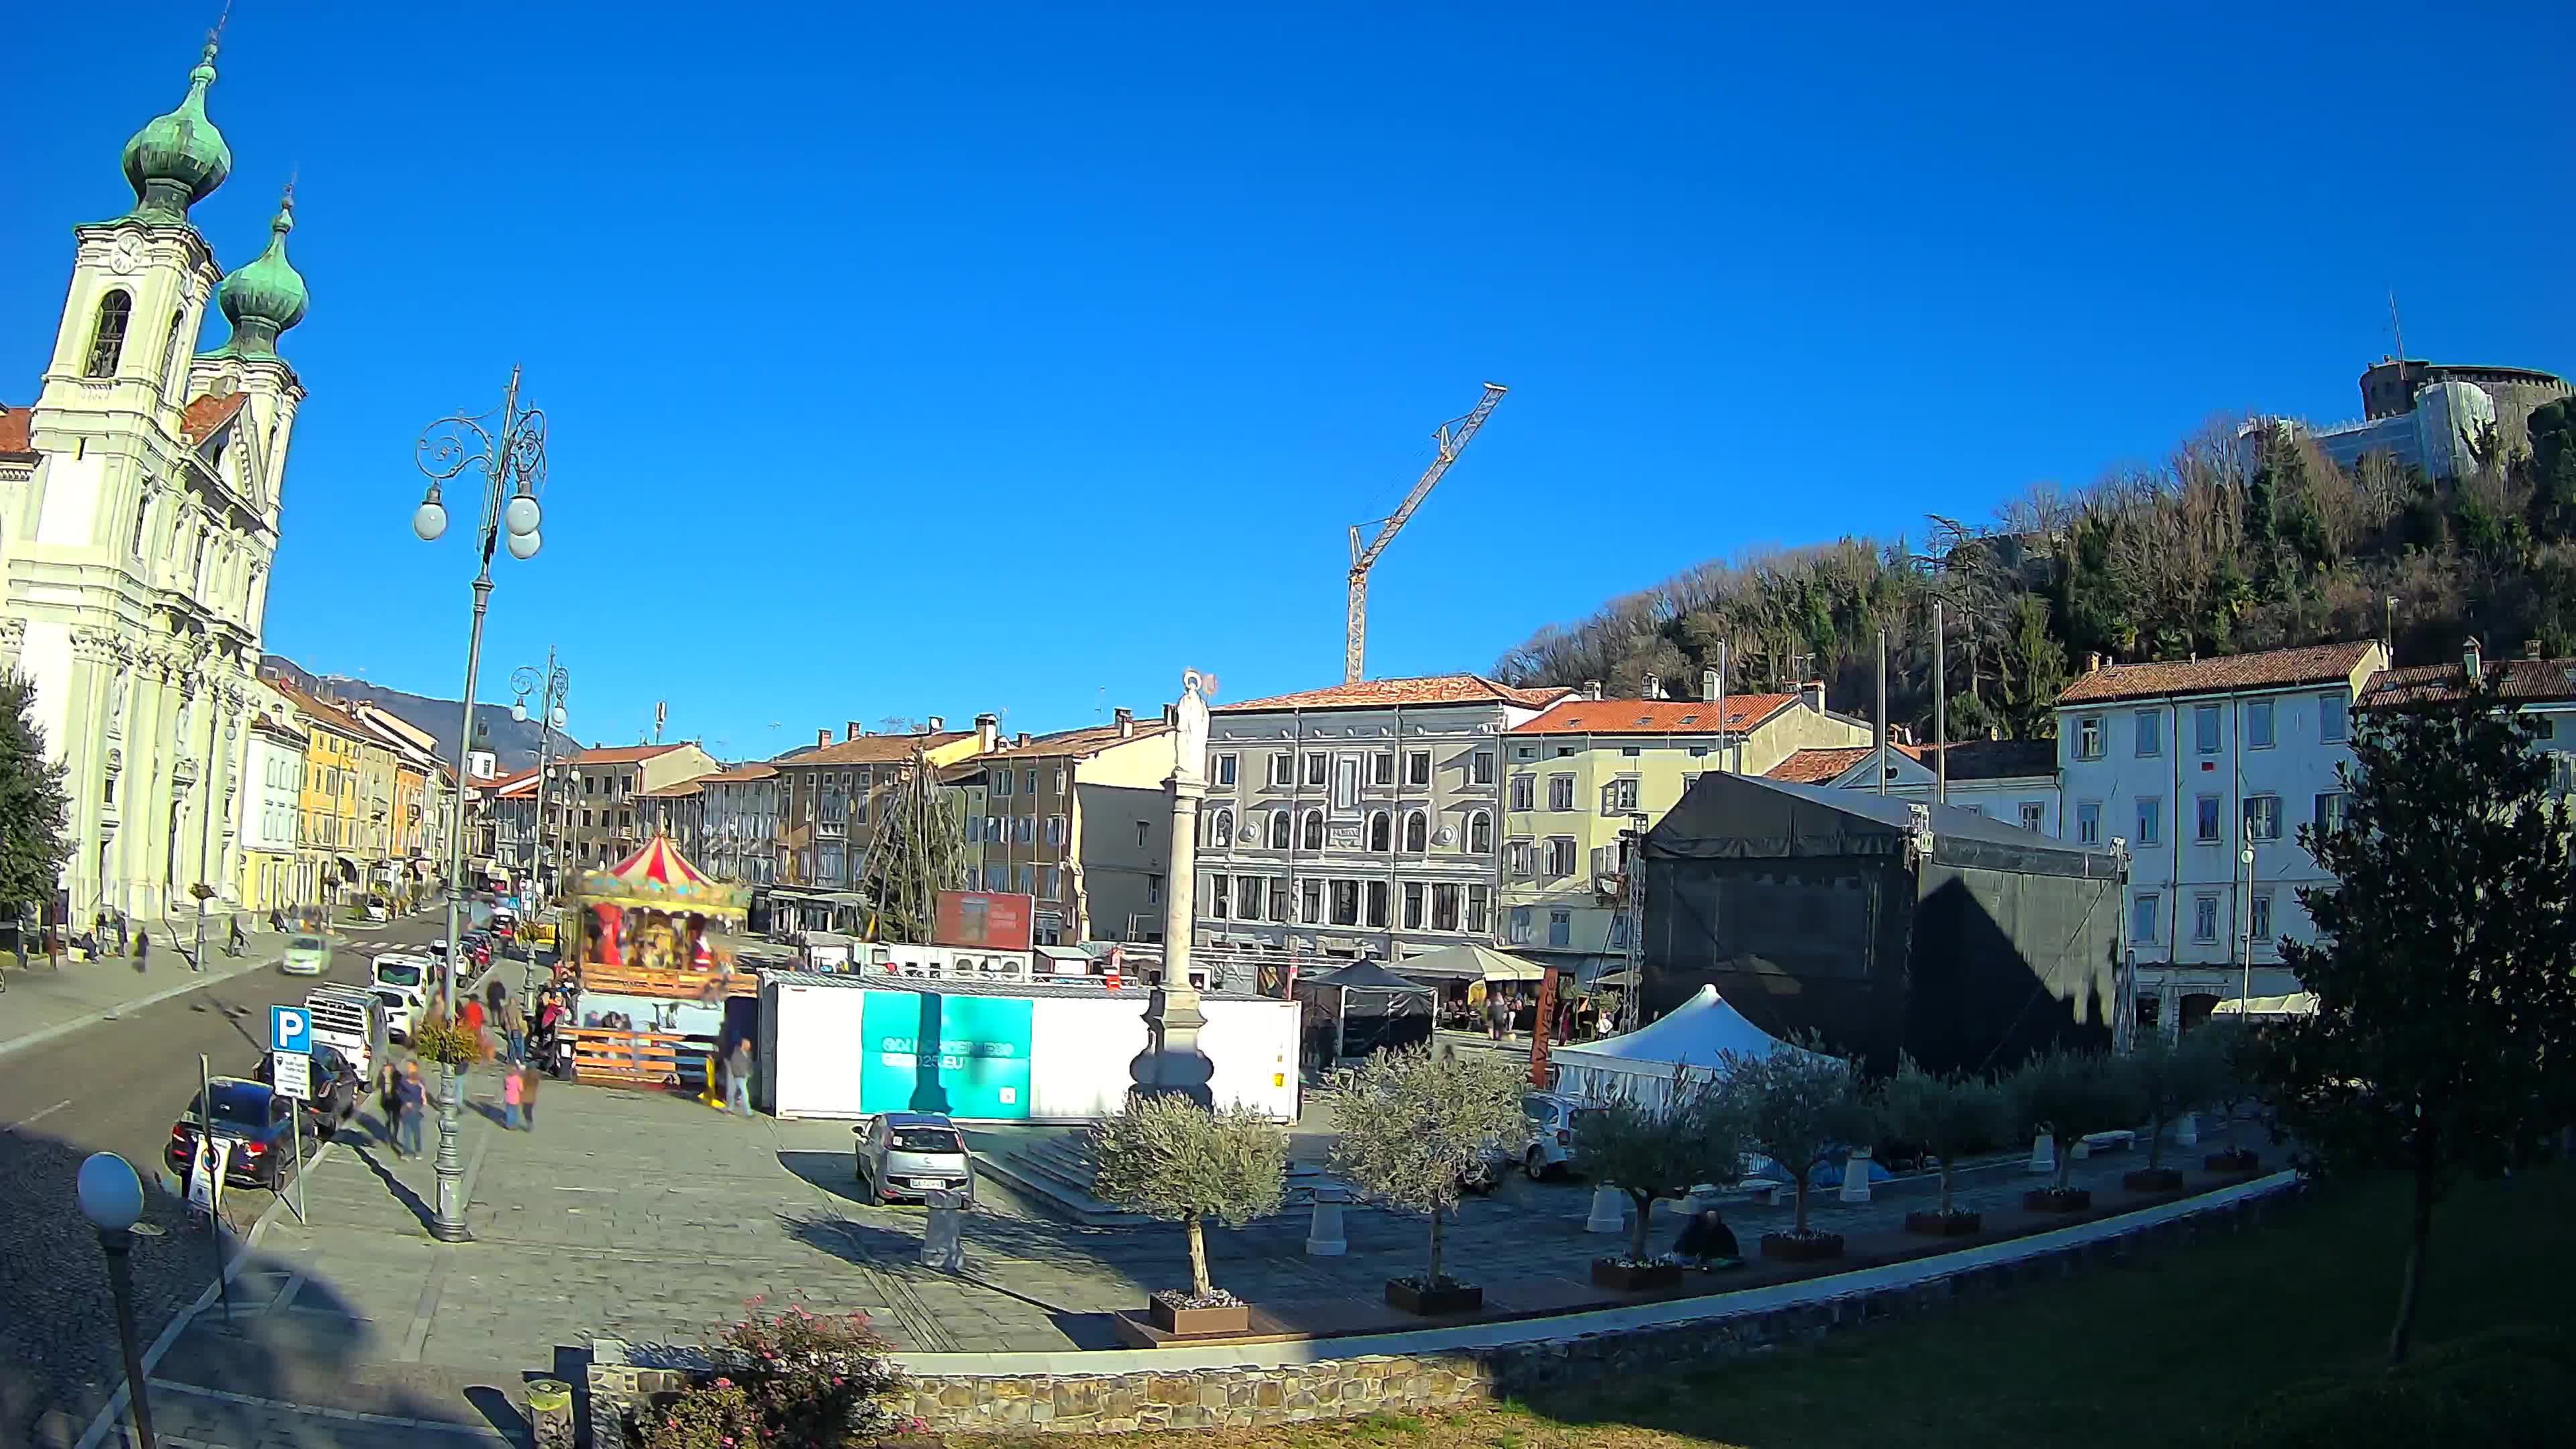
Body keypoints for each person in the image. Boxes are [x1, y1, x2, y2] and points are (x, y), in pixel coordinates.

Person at [394, 1062, 427, 1157]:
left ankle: (418, 1151)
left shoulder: (420, 1081)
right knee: (406, 1131)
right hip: (406, 1108)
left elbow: (422, 1097)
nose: (409, 1069)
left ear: (415, 1068)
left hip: (415, 1108)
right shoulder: (403, 1080)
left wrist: (417, 1104)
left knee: (416, 1131)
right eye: (408, 1067)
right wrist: (406, 1102)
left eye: (411, 1067)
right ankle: (406, 1151)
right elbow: (399, 1093)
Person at [727, 1036, 754, 1118]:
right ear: (743, 1045)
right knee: (745, 1094)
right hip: (739, 1076)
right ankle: (748, 1113)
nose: (749, 1046)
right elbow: (734, 1065)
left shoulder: (749, 1053)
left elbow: (750, 1064)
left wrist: (750, 1073)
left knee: (737, 1093)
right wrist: (739, 1074)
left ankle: (729, 1109)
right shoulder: (736, 1053)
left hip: (745, 1077)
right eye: (748, 1045)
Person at [501, 1063, 525, 1130]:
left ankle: (509, 1125)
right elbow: (521, 1089)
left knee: (509, 1112)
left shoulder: (506, 1078)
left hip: (508, 1098)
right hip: (516, 1099)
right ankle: (514, 1124)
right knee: (515, 1112)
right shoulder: (518, 1079)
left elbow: (505, 1087)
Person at [518, 1061, 541, 1130]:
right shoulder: (535, 1077)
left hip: (526, 1098)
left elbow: (521, 1085)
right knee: (528, 1110)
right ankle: (530, 1123)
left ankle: (530, 1124)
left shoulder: (526, 1076)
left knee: (526, 1111)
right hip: (532, 1098)